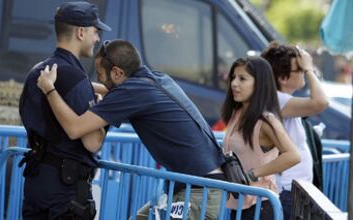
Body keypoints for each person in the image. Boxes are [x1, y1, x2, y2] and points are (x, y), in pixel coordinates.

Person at [37, 39, 227, 219]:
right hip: (198, 186)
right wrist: (72, 82)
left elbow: (74, 128)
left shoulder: (131, 92)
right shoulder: (154, 79)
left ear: (117, 73)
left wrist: (49, 89)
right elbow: (110, 90)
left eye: (100, 74)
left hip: (200, 191)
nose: (99, 79)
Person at [18, 2, 111, 219]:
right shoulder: (75, 78)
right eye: (95, 32)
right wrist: (103, 115)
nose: (97, 39)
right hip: (66, 191)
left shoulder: (37, 72)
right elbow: (92, 142)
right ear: (81, 32)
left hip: (37, 181)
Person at [221, 56, 300, 219]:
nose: (234, 83)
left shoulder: (266, 120)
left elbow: (293, 155)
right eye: (234, 77)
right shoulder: (237, 114)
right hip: (238, 205)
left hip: (260, 206)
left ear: (259, 84)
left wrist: (252, 174)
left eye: (242, 78)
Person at [261, 43, 329, 220]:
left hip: (294, 190)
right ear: (283, 77)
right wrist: (309, 69)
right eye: (299, 69)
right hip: (288, 191)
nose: (304, 72)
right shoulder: (276, 99)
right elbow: (320, 102)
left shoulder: (281, 100)